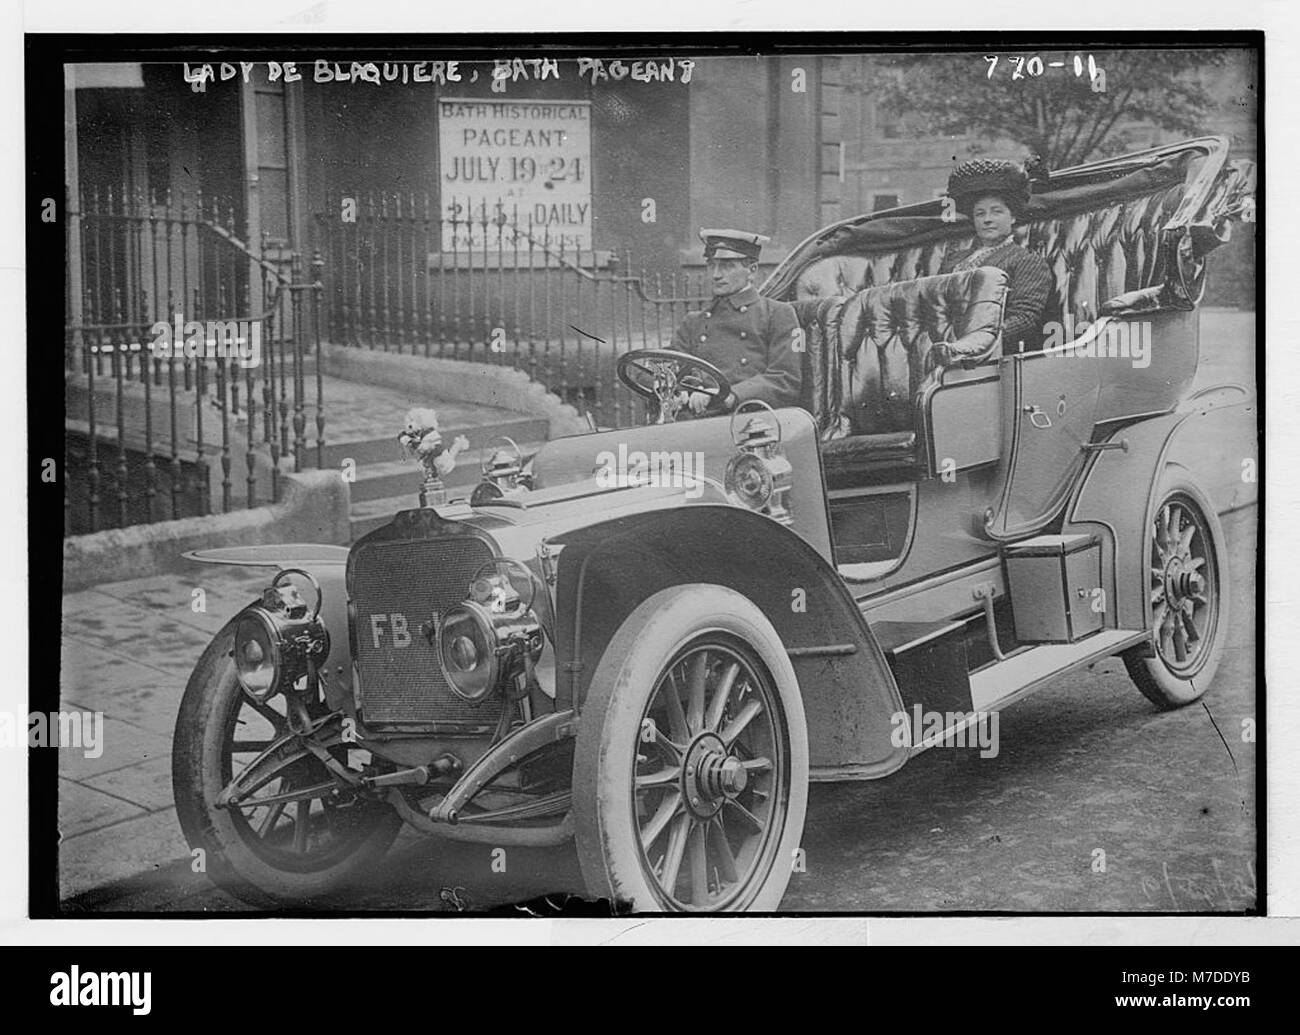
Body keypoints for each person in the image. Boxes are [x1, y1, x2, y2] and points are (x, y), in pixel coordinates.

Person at [670, 229, 803, 414]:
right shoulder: (693, 322)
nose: (716, 274)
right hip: (696, 422)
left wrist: (729, 395)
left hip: (748, 420)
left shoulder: (778, 314)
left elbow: (786, 379)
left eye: (727, 266)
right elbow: (666, 369)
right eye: (711, 265)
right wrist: (677, 392)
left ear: (752, 270)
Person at [939, 158, 1055, 353]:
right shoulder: (954, 259)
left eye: (996, 212)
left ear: (1013, 217)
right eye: (980, 214)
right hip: (940, 345)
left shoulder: (1026, 261)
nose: (987, 220)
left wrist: (980, 340)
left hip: (987, 354)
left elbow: (1024, 318)